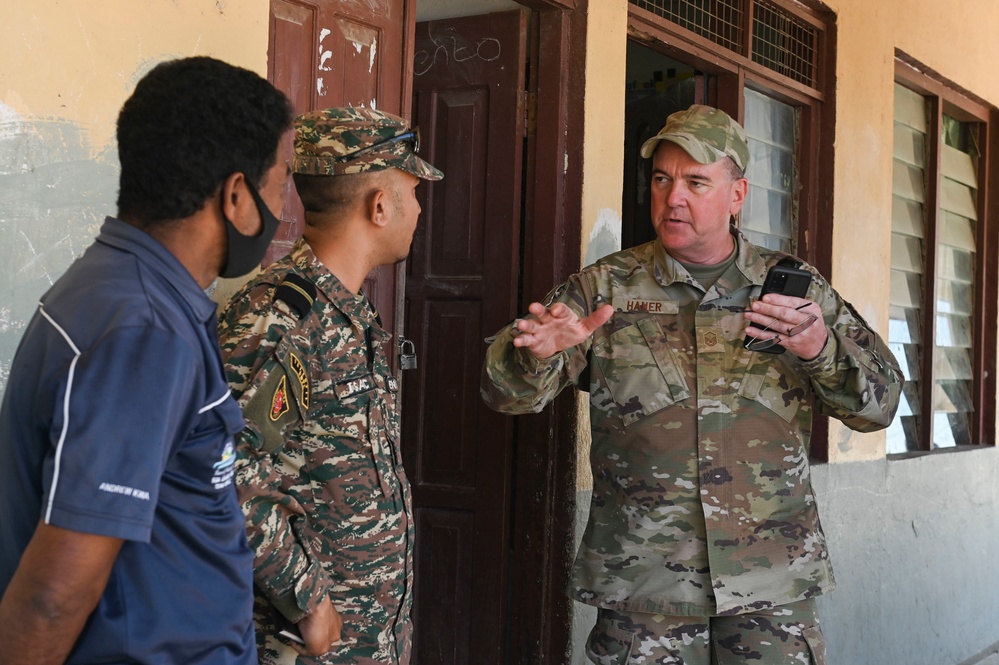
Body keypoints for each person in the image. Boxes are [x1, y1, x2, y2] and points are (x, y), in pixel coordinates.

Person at [481, 104, 902, 664]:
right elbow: (506, 396)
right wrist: (534, 356)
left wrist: (819, 349)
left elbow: (880, 406)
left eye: (696, 182)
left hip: (770, 585)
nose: (673, 197)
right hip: (645, 589)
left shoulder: (796, 295)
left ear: (737, 194)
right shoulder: (606, 288)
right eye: (662, 179)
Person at [0, 56, 294, 665]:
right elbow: (54, 596)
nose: (283, 208)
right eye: (281, 182)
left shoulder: (121, 287)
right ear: (237, 195)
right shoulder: (145, 330)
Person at [218, 107, 443, 665]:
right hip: (305, 645)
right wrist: (311, 602)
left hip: (365, 640)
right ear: (380, 205)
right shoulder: (282, 315)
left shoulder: (347, 313)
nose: (418, 209)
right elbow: (222, 468)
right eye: (413, 193)